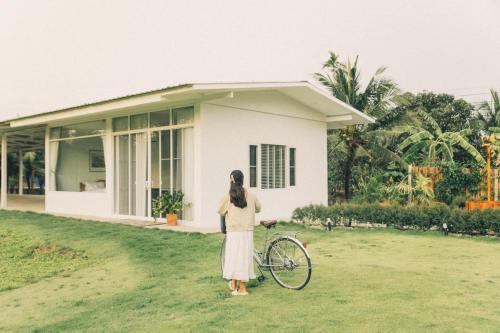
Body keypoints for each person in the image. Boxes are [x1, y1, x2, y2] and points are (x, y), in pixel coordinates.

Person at [218, 170, 261, 296]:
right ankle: (239, 286)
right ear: (242, 180)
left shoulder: (228, 196)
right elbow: (259, 208)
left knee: (234, 258)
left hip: (234, 232)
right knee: (244, 258)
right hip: (247, 231)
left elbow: (220, 210)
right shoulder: (251, 195)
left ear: (231, 180)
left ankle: (240, 289)